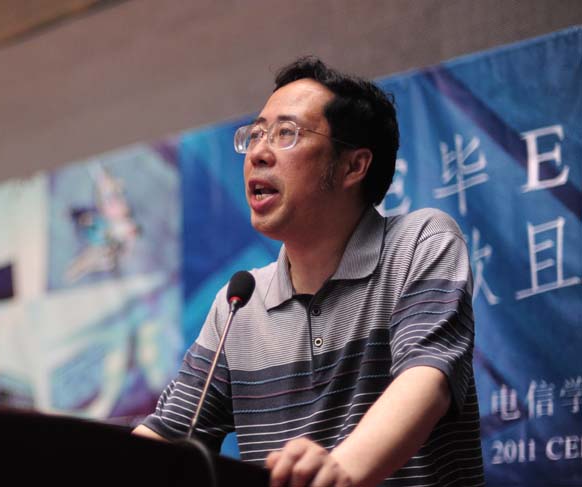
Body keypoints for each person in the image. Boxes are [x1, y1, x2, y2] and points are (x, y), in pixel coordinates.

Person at [134, 56, 484, 487]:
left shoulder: (420, 243)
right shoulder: (239, 302)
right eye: (256, 134)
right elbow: (165, 438)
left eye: (287, 133)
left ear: (354, 166)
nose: (258, 153)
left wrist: (338, 471)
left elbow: (426, 380)